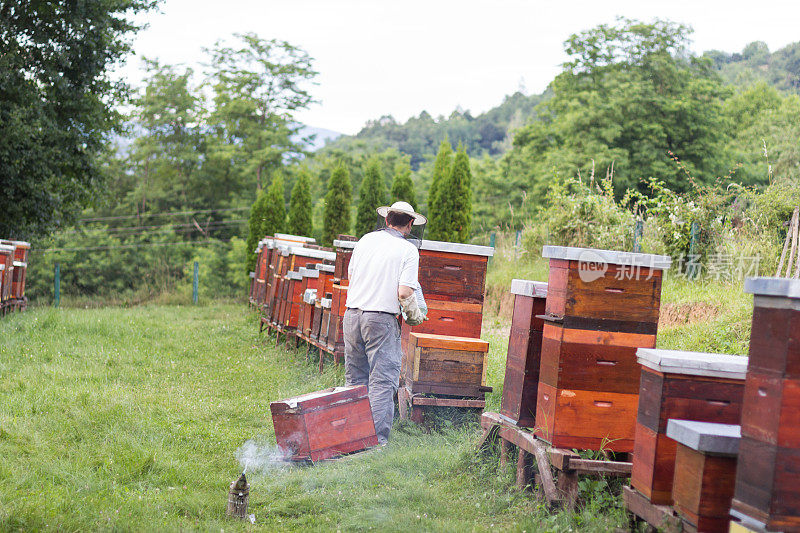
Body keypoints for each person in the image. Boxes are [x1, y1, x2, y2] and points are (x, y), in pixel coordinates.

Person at [343, 201, 427, 445]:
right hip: (380, 319)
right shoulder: (408, 250)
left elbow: (352, 276)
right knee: (382, 380)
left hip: (352, 315)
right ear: (410, 223)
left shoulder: (365, 240)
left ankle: (350, 437)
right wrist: (414, 316)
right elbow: (403, 292)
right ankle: (375, 443)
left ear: (387, 219)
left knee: (355, 379)